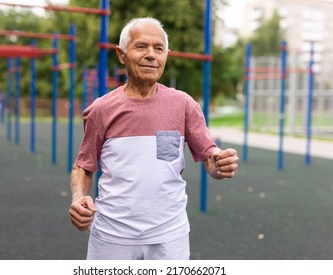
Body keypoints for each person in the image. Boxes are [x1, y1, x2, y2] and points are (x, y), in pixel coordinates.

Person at [69, 17, 239, 260]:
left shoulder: (184, 105)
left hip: (169, 236)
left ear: (166, 55)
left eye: (158, 48)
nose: (151, 55)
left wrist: (221, 163)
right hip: (112, 236)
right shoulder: (101, 109)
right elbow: (83, 166)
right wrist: (78, 198)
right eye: (141, 46)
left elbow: (210, 158)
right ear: (121, 54)